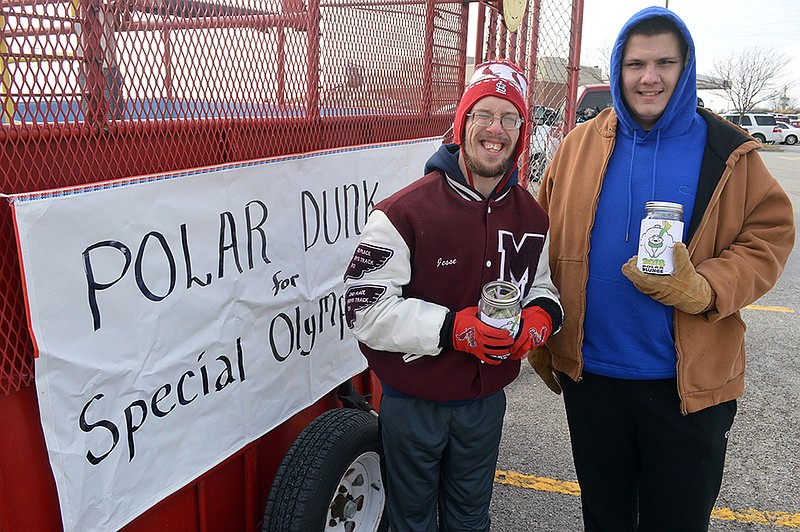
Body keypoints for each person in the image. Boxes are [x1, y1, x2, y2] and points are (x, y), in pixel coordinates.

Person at [532, 6, 796, 531]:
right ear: (617, 69)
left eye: (664, 63)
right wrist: (545, 334)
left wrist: (706, 287)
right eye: (635, 64)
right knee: (604, 516)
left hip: (686, 387)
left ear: (685, 67)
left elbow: (770, 236)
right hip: (594, 379)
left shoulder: (727, 151)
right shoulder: (576, 147)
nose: (648, 77)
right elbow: (541, 240)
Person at [343, 59, 563, 531]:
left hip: (484, 403)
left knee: (470, 517)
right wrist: (453, 329)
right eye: (483, 114)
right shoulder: (403, 211)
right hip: (413, 400)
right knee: (413, 520)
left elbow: (542, 287)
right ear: (462, 124)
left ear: (522, 132)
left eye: (509, 118)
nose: (495, 129)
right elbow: (363, 308)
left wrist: (539, 321)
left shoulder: (532, 217)